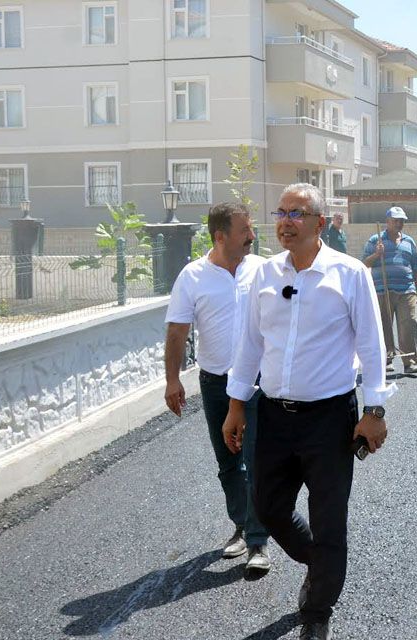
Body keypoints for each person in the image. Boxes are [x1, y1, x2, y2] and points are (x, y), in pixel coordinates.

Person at [222, 183, 392, 640]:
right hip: (274, 416)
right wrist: (236, 404)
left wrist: (373, 410)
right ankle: (321, 563)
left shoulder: (349, 273)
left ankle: (317, 610)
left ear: (320, 222)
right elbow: (250, 344)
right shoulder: (264, 275)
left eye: (298, 212)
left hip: (330, 419)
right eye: (281, 212)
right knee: (267, 506)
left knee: (329, 518)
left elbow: (372, 347)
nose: (286, 220)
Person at [163, 202, 272, 573]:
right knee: (229, 460)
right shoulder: (192, 277)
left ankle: (258, 542)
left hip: (259, 382)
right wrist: (172, 379)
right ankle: (241, 526)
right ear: (220, 235)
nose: (252, 237)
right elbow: (177, 331)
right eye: (245, 230)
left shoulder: (261, 270)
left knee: (257, 458)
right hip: (215, 384)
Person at [362, 206, 417, 375]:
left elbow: (416, 266)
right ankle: (387, 359)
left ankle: (410, 362)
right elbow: (363, 264)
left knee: (409, 325)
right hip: (382, 290)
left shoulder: (409, 241)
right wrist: (376, 255)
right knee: (384, 326)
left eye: (401, 221)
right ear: (387, 222)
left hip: (406, 290)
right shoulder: (375, 240)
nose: (399, 223)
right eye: (395, 220)